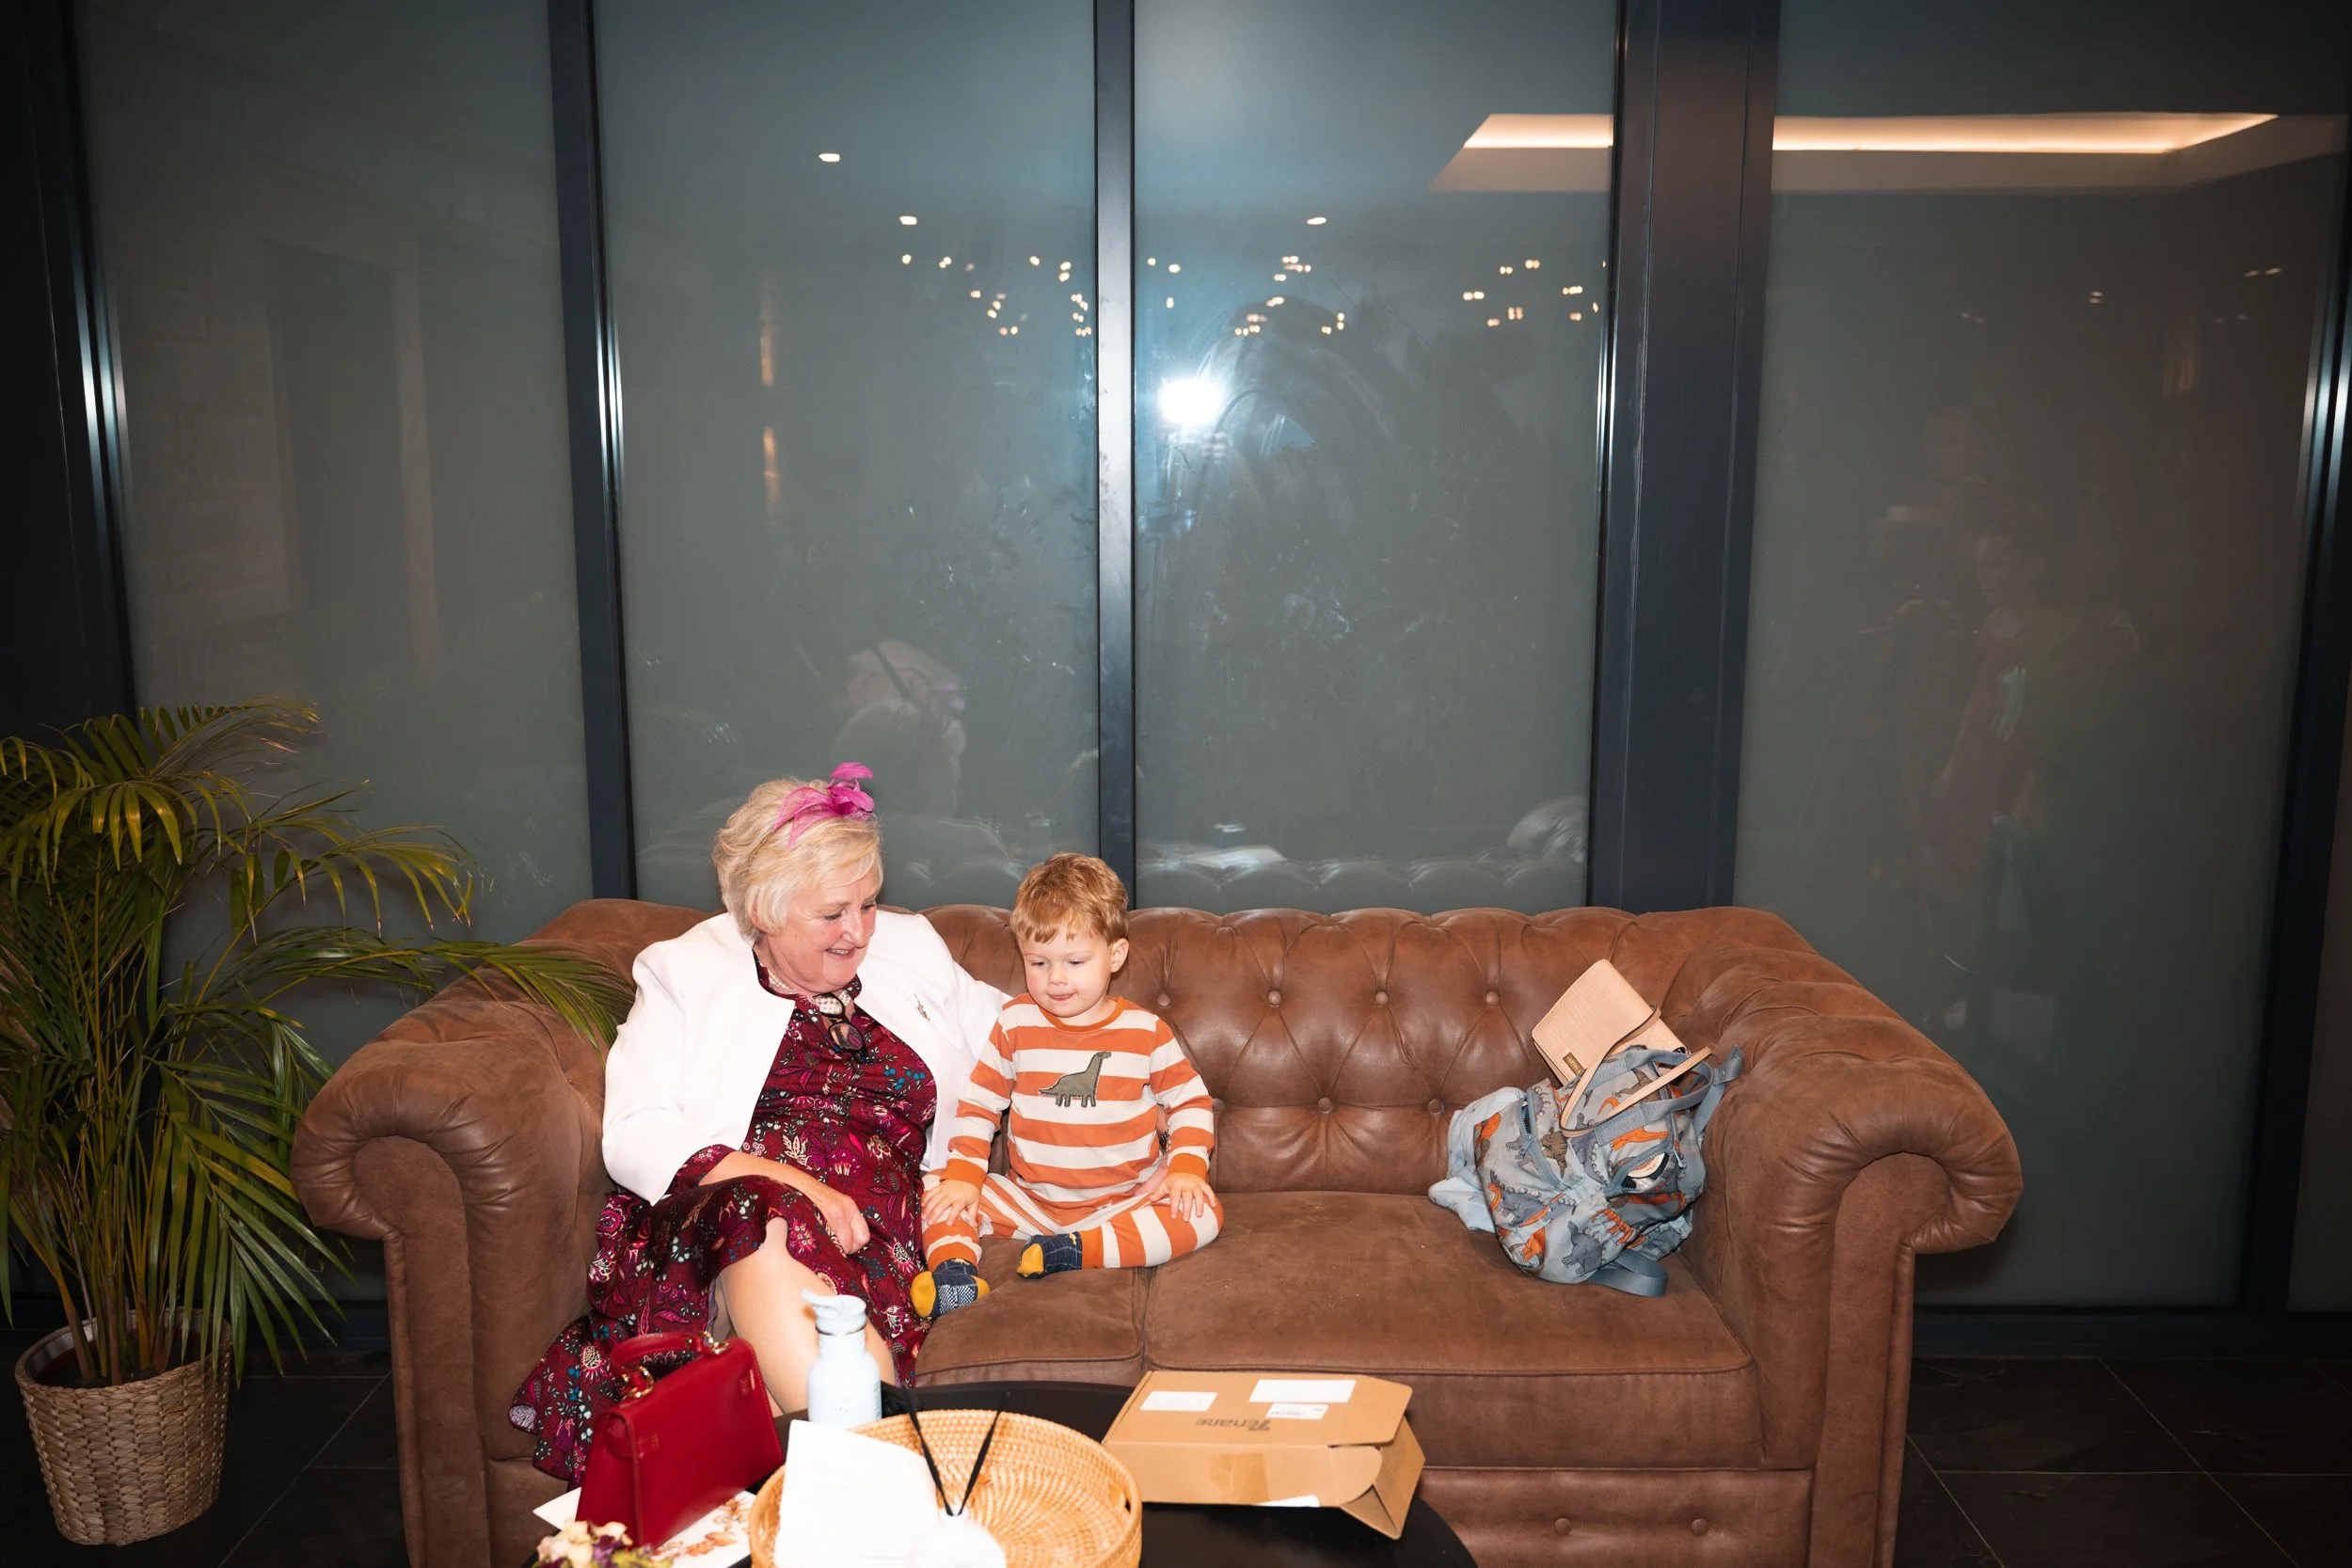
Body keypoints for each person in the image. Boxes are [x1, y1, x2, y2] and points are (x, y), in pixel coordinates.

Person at [509, 765, 1006, 1484]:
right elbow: (636, 1131)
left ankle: (833, 1501)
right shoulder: (686, 972)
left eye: (868, 903)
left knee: (791, 1421)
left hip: (876, 1232)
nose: (860, 930)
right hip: (731, 1222)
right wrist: (792, 1180)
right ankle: (882, 1481)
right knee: (762, 1217)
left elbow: (1021, 1038)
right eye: (833, 912)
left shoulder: (913, 947)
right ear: (765, 909)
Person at [912, 853, 1220, 1318]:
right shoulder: (1014, 1022)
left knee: (1203, 1216)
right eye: (1039, 962)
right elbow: (979, 1106)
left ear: (1115, 955)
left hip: (1123, 1200)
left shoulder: (1145, 1031)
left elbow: (1192, 1102)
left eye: (1074, 961)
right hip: (1030, 1200)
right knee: (938, 1189)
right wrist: (964, 1179)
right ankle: (955, 1275)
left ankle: (1076, 1251)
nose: (1055, 979)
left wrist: (1186, 1168)